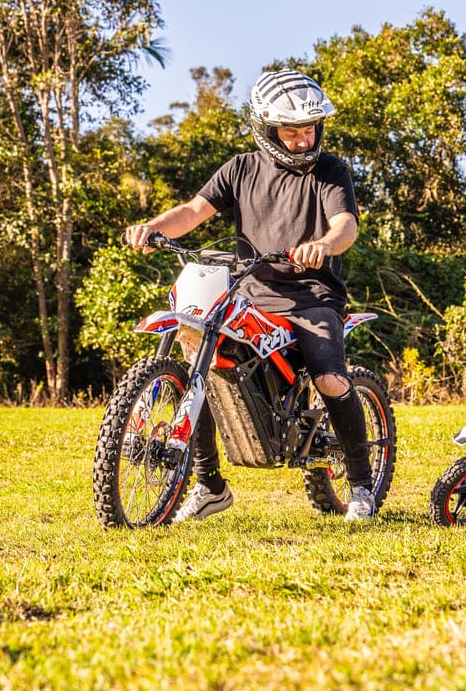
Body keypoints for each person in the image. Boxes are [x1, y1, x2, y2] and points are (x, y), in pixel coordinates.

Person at [123, 69, 377, 522]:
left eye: (309, 130)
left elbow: (346, 225)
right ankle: (209, 486)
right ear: (265, 129)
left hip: (311, 297)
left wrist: (324, 245)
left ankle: (360, 486)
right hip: (248, 293)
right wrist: (152, 229)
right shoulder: (240, 168)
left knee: (330, 381)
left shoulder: (331, 170)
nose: (302, 140)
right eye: (291, 131)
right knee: (201, 360)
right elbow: (192, 211)